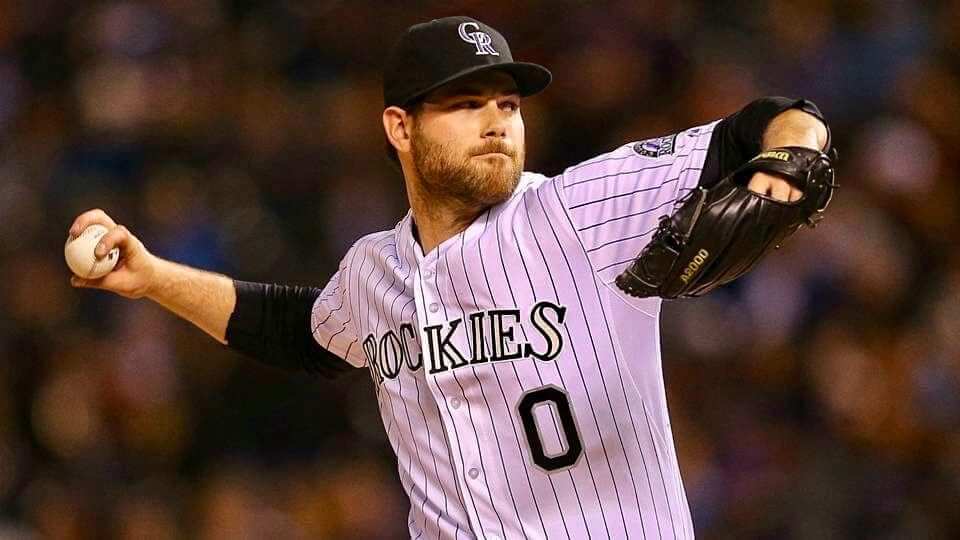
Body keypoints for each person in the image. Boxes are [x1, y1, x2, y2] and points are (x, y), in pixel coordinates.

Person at [67, 16, 830, 540]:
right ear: (401, 128)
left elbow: (768, 120)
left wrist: (795, 159)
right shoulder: (373, 270)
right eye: (465, 105)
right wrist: (153, 277)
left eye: (507, 103)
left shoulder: (574, 209)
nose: (498, 121)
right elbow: (302, 333)